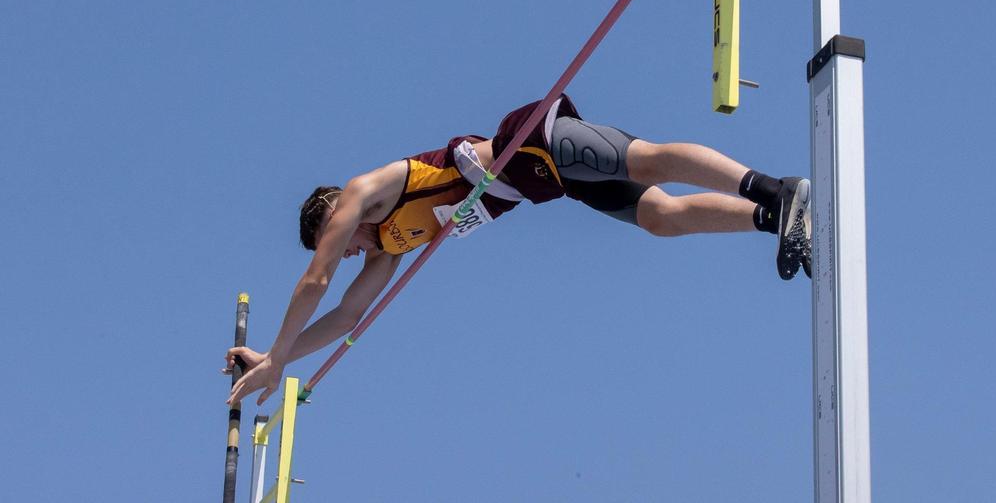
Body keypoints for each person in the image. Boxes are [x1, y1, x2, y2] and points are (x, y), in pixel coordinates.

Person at [224, 95, 810, 406]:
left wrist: (274, 357)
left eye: (335, 238)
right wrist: (285, 362)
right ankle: (774, 220)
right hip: (538, 182)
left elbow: (315, 283)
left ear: (333, 213)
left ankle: (773, 189)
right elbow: (348, 316)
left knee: (648, 159)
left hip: (529, 142)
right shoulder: (387, 248)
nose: (344, 250)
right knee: (661, 217)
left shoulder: (363, 192)